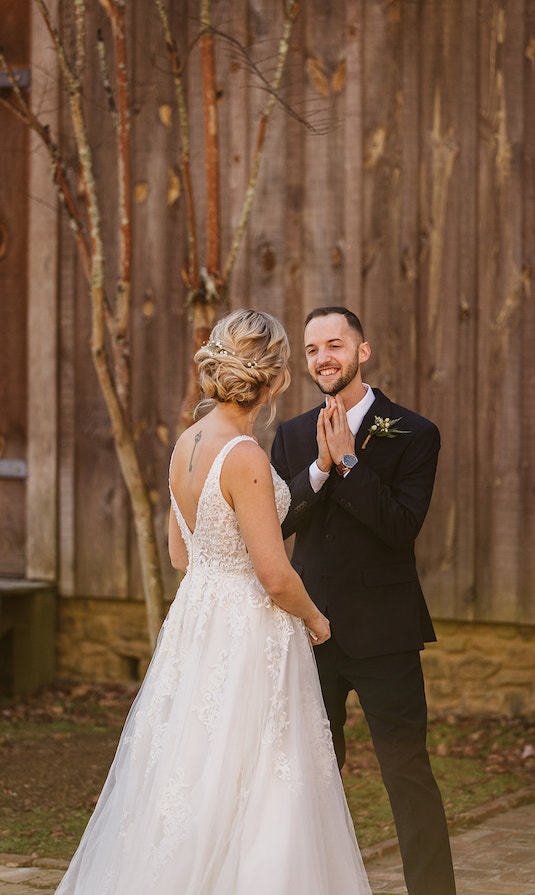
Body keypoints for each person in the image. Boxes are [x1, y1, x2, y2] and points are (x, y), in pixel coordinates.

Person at [56, 309, 371, 894]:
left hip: (197, 624)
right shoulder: (245, 454)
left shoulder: (188, 442)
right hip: (248, 628)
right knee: (260, 778)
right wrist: (316, 618)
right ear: (276, 380)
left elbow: (181, 553)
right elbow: (275, 575)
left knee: (193, 769)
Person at [270, 306, 455, 895]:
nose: (323, 357)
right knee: (307, 777)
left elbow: (401, 528)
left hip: (385, 637)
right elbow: (274, 525)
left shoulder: (414, 432)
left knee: (408, 775)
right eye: (312, 349)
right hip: (310, 631)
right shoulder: (293, 435)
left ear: (362, 351)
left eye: (334, 344)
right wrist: (320, 469)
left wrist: (350, 460)